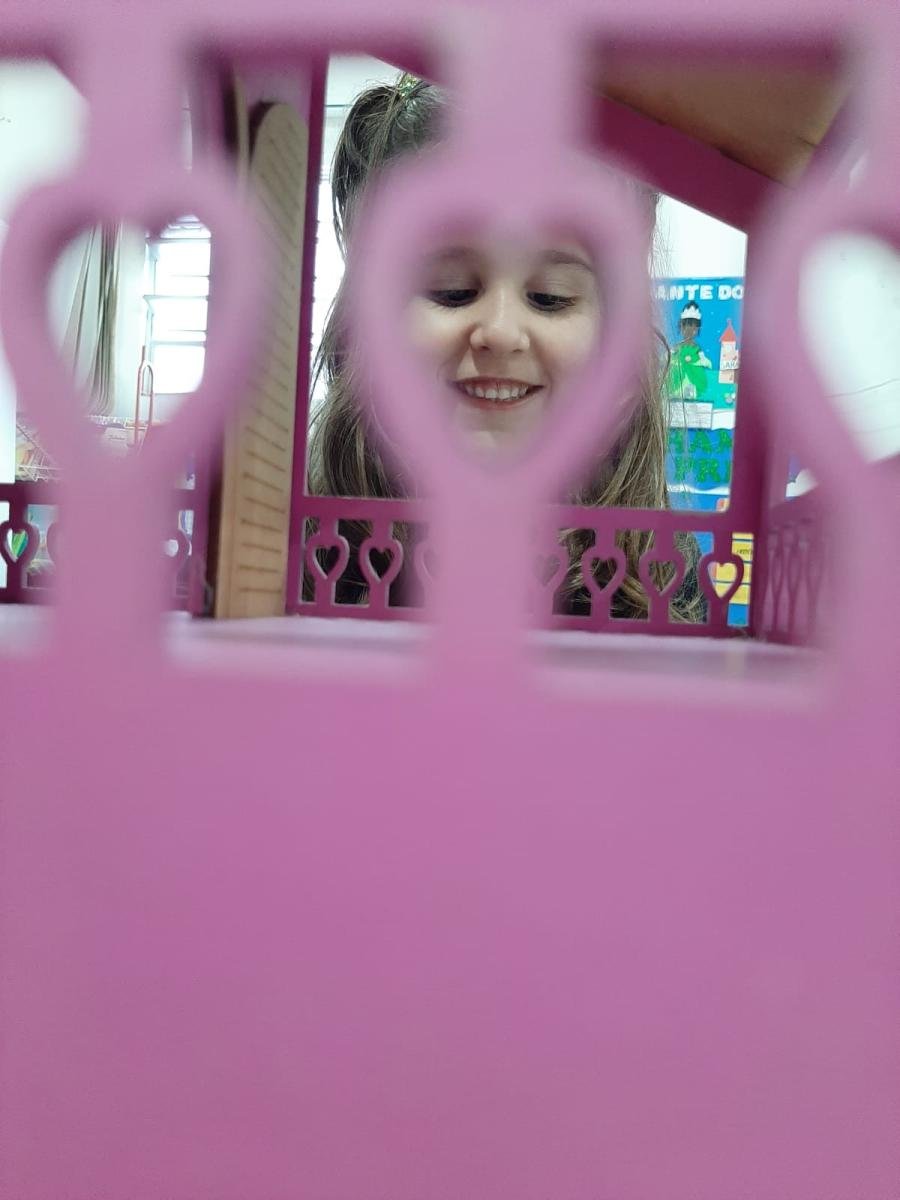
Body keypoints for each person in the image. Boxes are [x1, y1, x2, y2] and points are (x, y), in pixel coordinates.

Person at [307, 73, 705, 622]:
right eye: (451, 290)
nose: (499, 331)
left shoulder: (661, 566)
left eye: (549, 297)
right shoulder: (307, 545)